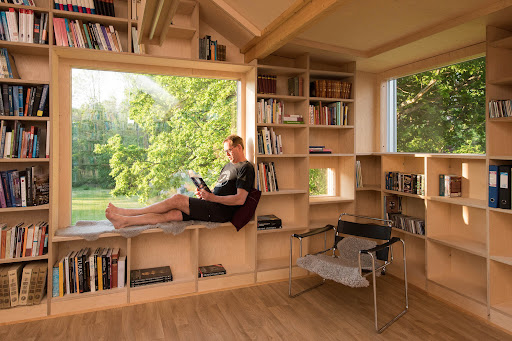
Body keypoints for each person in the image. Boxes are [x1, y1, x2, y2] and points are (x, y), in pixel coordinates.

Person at [105, 135, 255, 229]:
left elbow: (240, 199)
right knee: (172, 215)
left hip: (221, 212)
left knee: (177, 199)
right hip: (212, 204)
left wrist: (212, 198)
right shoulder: (228, 166)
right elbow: (221, 191)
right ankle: (124, 222)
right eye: (225, 151)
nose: (227, 154)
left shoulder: (246, 168)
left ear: (239, 147)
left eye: (229, 150)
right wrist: (205, 193)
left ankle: (127, 212)